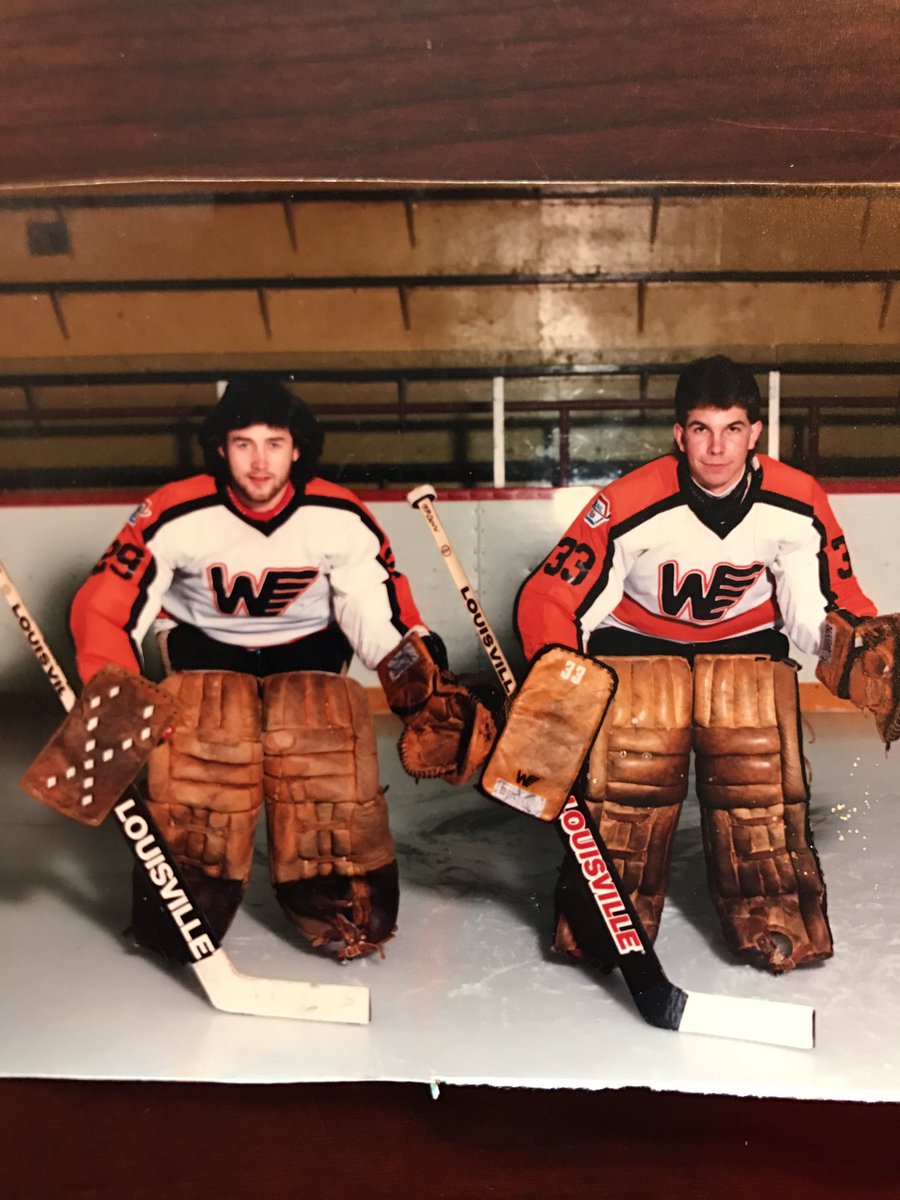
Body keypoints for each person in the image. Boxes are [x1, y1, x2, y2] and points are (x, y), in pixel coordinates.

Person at [69, 378, 493, 960]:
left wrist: (417, 682)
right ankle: (182, 905)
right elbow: (105, 606)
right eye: (243, 444)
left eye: (274, 443)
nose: (259, 461)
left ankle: (336, 902)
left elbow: (374, 608)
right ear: (221, 449)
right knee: (203, 773)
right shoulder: (173, 510)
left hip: (309, 653)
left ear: (298, 449)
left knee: (323, 769)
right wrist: (119, 694)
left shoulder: (339, 514)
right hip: (203, 652)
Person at [514, 355, 880, 973]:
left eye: (732, 429)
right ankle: (604, 919)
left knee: (756, 780)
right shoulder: (628, 500)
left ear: (754, 432)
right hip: (639, 642)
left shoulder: (798, 499)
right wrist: (556, 685)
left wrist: (859, 649)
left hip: (743, 644)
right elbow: (553, 594)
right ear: (679, 434)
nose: (717, 448)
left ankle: (771, 912)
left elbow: (820, 604)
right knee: (630, 784)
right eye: (702, 429)